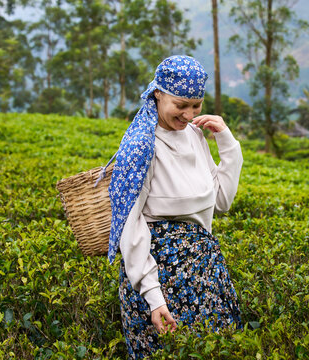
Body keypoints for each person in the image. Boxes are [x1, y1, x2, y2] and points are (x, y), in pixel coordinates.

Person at [107, 55, 244, 359]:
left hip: (205, 276)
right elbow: (131, 226)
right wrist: (155, 298)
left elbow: (220, 201)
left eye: (196, 105)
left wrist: (228, 145)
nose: (188, 114)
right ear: (158, 93)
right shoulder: (141, 145)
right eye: (180, 105)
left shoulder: (195, 135)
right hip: (159, 283)